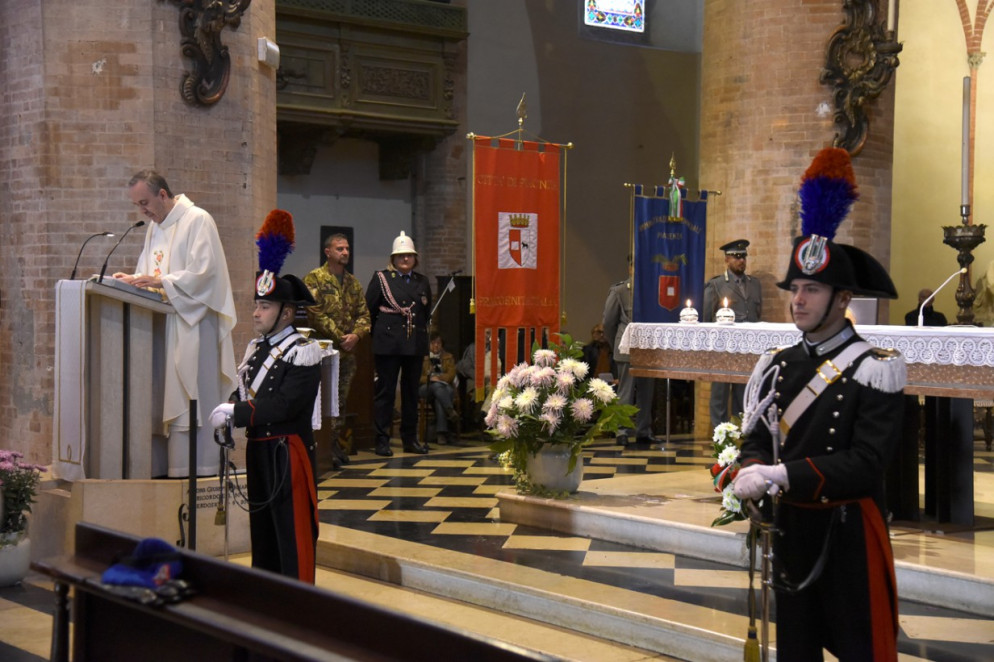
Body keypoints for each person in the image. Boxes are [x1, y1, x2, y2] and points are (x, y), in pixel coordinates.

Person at [733, 147, 903, 660]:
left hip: (849, 535)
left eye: (812, 289)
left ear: (843, 298)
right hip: (793, 531)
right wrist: (750, 468)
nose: (798, 300)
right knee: (796, 652)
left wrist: (783, 474)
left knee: (859, 649)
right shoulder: (777, 363)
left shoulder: (875, 366)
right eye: (796, 288)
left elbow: (867, 463)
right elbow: (756, 435)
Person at [209, 210, 325, 584]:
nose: (256, 313)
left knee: (291, 535)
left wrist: (236, 411)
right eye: (256, 305)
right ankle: (267, 596)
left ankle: (298, 601)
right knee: (264, 533)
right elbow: (247, 391)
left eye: (265, 307)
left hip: (288, 452)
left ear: (287, 313)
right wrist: (231, 411)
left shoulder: (304, 351)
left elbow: (285, 405)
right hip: (259, 450)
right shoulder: (258, 348)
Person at [114, 170, 237, 478]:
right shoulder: (154, 228)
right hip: (163, 326)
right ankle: (164, 467)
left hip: (193, 325)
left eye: (145, 203)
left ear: (163, 194)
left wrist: (160, 282)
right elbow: (150, 272)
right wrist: (132, 280)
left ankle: (199, 467)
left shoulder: (198, 220)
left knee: (192, 393)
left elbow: (205, 274)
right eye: (137, 205)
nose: (142, 211)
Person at [304, 233, 371, 467]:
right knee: (322, 401)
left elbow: (364, 315)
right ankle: (321, 445)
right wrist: (340, 336)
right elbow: (315, 313)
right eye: (340, 248)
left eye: (347, 249)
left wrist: (357, 335)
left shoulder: (353, 283)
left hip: (347, 354)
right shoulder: (315, 278)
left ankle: (334, 443)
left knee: (340, 400)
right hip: (323, 352)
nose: (345, 252)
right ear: (328, 252)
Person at [365, 231, 432, 456]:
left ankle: (409, 439)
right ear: (393, 258)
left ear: (415, 258)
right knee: (385, 393)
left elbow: (425, 313)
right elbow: (370, 310)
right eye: (401, 255)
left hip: (414, 343)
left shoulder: (422, 281)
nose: (405, 259)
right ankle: (382, 439)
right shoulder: (382, 278)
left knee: (411, 392)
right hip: (388, 343)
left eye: (409, 255)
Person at [703, 239, 762, 429]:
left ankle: (739, 430)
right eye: (736, 257)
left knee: (743, 391)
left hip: (747, 347)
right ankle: (720, 432)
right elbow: (706, 318)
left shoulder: (754, 284)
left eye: (743, 257)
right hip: (723, 347)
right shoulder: (716, 284)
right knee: (719, 393)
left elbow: (756, 313)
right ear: (727, 260)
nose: (741, 261)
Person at [603, 259, 657, 447]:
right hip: (627, 348)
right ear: (630, 267)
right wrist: (617, 345)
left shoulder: (652, 289)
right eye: (636, 264)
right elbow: (608, 323)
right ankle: (622, 431)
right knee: (626, 392)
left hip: (648, 348)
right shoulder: (620, 290)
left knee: (646, 393)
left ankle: (644, 430)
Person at [420, 331, 459, 445]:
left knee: (439, 400)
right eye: (433, 343)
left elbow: (451, 374)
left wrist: (439, 378)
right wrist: (430, 378)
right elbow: (417, 377)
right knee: (438, 387)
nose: (436, 345)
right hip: (426, 388)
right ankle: (450, 410)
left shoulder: (448, 357)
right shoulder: (422, 357)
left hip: (443, 387)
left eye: (438, 343)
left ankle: (441, 434)